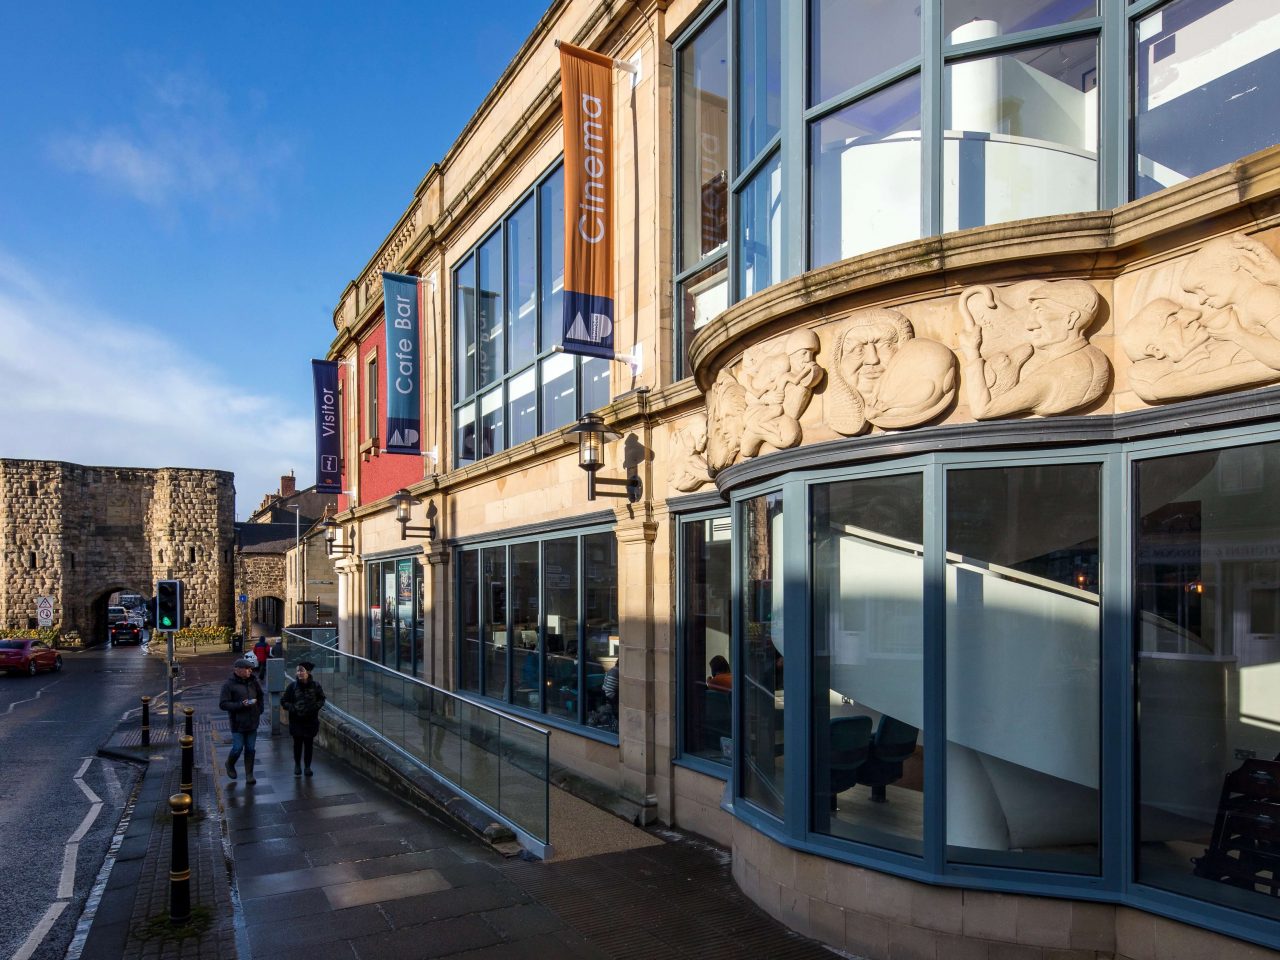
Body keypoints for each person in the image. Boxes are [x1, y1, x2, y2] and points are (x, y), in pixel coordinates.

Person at [219, 654, 265, 783]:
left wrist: (259, 709)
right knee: (238, 748)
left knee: (250, 749)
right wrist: (241, 705)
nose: (250, 671)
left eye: (251, 669)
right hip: (237, 723)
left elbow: (260, 696)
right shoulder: (228, 685)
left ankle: (249, 775)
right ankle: (230, 764)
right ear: (238, 670)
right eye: (247, 669)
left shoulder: (253, 681)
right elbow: (223, 704)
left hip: (252, 721)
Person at [281, 660, 326, 776]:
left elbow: (322, 699)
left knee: (308, 744)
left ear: (308, 672)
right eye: (297, 671)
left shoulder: (316, 686)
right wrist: (293, 708)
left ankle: (307, 767)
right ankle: (297, 765)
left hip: (310, 721)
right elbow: (284, 701)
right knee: (297, 744)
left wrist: (315, 707)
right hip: (296, 721)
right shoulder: (292, 687)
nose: (299, 673)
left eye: (301, 671)